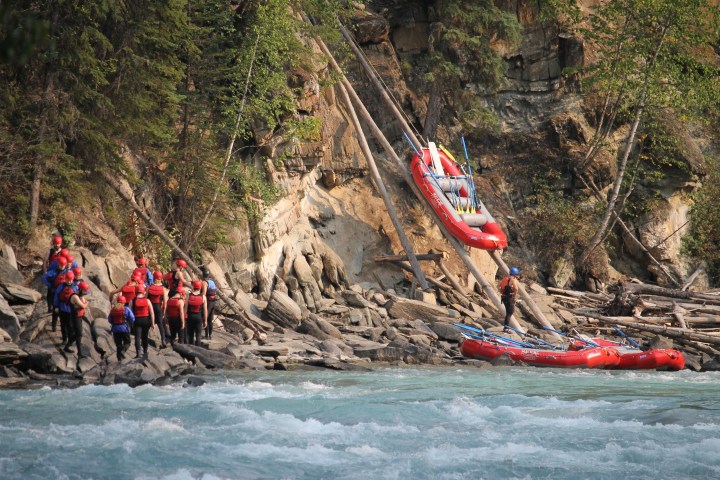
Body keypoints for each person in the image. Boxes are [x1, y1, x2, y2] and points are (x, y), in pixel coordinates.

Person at [130, 284, 155, 359]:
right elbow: (152, 313)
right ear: (143, 291)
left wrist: (131, 323)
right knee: (145, 336)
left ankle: (138, 353)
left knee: (137, 337)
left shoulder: (132, 301)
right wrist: (153, 323)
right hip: (146, 320)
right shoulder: (147, 300)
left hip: (137, 320)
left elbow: (130, 312)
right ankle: (145, 351)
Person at [55, 271, 78, 351]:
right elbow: (56, 296)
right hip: (62, 308)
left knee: (70, 326)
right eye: (68, 279)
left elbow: (78, 297)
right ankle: (65, 339)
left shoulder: (75, 287)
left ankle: (70, 340)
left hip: (70, 310)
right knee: (63, 325)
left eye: (71, 280)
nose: (69, 281)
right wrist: (56, 306)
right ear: (65, 279)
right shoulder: (61, 286)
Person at [108, 295, 135, 361]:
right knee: (127, 342)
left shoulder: (113, 309)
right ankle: (123, 352)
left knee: (118, 345)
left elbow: (109, 319)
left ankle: (119, 359)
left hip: (115, 329)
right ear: (124, 302)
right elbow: (132, 318)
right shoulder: (126, 309)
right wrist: (129, 323)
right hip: (124, 328)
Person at [67, 281, 91, 358]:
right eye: (84, 290)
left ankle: (67, 346)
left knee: (77, 334)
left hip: (79, 316)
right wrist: (87, 303)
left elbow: (84, 302)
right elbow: (84, 305)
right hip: (74, 317)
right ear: (80, 289)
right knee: (79, 334)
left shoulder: (80, 296)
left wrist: (83, 298)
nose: (85, 292)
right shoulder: (75, 297)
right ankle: (79, 353)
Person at [148, 270, 168, 348]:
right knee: (160, 324)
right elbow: (165, 301)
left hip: (150, 306)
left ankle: (144, 338)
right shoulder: (163, 289)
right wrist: (164, 312)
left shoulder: (149, 287)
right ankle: (163, 340)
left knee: (148, 322)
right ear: (160, 278)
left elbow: (146, 297)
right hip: (158, 307)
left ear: (153, 277)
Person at [185, 280, 207, 346]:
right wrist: (205, 320)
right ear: (200, 287)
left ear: (193, 287)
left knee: (190, 335)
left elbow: (185, 308)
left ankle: (191, 351)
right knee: (198, 335)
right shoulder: (203, 297)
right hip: (199, 317)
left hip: (190, 317)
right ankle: (198, 350)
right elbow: (205, 310)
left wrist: (184, 318)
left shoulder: (188, 295)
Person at [200, 268, 217, 340]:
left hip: (208, 302)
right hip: (213, 302)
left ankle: (206, 335)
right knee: (210, 319)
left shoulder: (205, 283)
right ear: (209, 275)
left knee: (205, 318)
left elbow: (203, 294)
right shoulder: (212, 282)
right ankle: (210, 335)